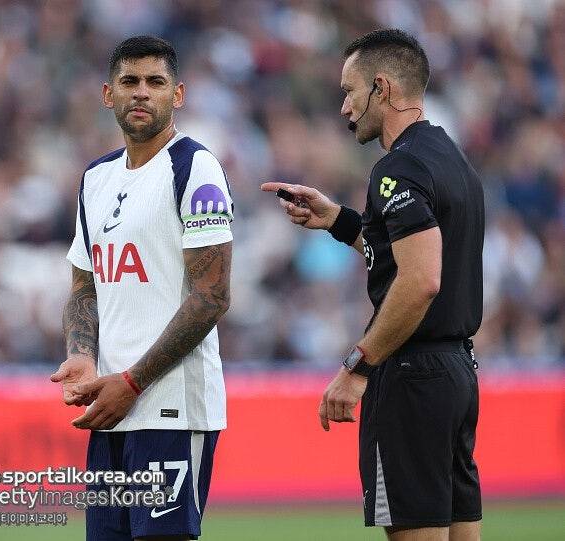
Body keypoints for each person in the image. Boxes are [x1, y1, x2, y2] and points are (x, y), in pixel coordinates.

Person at [262, 29, 483, 541]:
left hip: (410, 376)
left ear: (381, 88)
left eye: (349, 91)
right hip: (456, 372)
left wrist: (358, 367)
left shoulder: (397, 168)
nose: (344, 107)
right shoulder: (452, 159)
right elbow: (410, 251)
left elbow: (421, 279)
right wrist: (339, 221)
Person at [51, 35, 233, 541]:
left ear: (178, 95)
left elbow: (213, 296)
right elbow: (84, 284)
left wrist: (131, 383)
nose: (141, 92)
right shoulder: (96, 178)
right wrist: (82, 354)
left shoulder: (194, 167)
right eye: (129, 81)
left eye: (155, 82)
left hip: (170, 409)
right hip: (110, 410)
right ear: (107, 94)